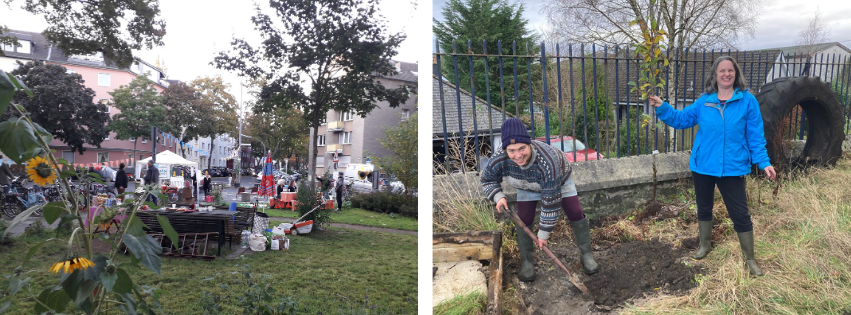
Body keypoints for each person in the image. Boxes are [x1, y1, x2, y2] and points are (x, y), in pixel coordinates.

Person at [648, 56, 776, 276]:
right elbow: (681, 120)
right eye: (722, 71)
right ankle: (705, 246)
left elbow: (755, 136)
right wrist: (662, 106)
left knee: (740, 213)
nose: (726, 74)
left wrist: (764, 162)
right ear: (715, 75)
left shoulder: (747, 101)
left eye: (730, 71)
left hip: (733, 167)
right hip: (703, 166)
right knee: (704, 208)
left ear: (735, 74)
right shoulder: (703, 101)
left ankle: (750, 259)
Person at [481, 118, 599, 282]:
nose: (518, 155)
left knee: (575, 212)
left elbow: (550, 202)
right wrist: (498, 196)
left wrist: (543, 234)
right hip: (525, 186)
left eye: (522, 148)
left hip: (558, 183)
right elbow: (487, 180)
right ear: (505, 149)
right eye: (512, 150)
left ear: (530, 144)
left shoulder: (547, 161)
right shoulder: (499, 159)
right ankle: (527, 263)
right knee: (524, 219)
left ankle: (586, 255)